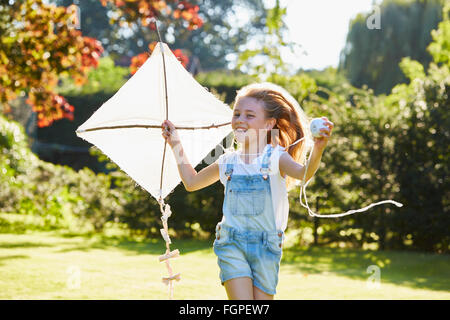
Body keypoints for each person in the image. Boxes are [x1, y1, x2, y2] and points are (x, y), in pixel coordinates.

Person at [161, 82, 334, 300]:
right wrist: (174, 142)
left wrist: (318, 148)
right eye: (237, 114)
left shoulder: (275, 157)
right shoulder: (228, 161)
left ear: (269, 123)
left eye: (250, 115)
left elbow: (304, 173)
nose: (240, 120)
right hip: (231, 243)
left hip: (267, 247)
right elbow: (191, 182)